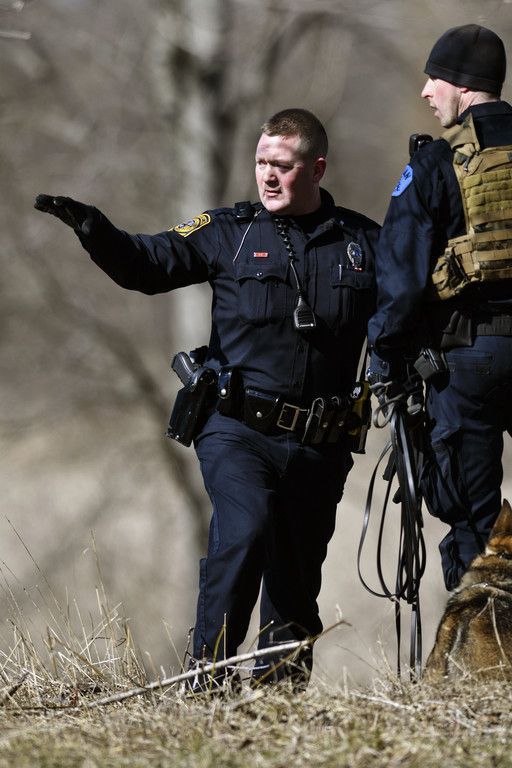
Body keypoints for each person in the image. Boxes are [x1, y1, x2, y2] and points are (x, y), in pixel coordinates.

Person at [35, 108, 379, 691]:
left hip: (319, 442)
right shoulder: (229, 231)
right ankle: (208, 679)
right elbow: (147, 264)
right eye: (261, 162)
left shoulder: (363, 243)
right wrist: (95, 230)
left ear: (317, 168)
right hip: (237, 429)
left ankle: (278, 702)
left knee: (296, 581)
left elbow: (406, 315)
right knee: (245, 530)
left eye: (282, 165)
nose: (267, 175)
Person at [367, 24, 512, 591]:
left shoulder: (434, 165)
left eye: (436, 79)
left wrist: (385, 359)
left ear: (464, 85)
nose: (426, 91)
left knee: (474, 519)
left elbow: (399, 279)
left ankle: (486, 641)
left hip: (467, 357)